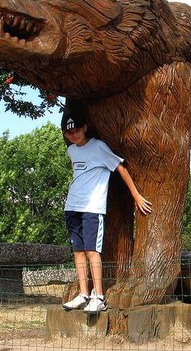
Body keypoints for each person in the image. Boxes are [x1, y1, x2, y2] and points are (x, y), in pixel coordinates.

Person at [61, 110, 152, 313]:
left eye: (76, 130)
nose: (73, 135)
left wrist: (136, 196)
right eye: (69, 133)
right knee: (78, 252)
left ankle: (99, 296)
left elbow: (120, 168)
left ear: (84, 128)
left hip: (92, 208)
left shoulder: (99, 147)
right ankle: (84, 294)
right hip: (72, 206)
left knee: (93, 251)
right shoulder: (72, 151)